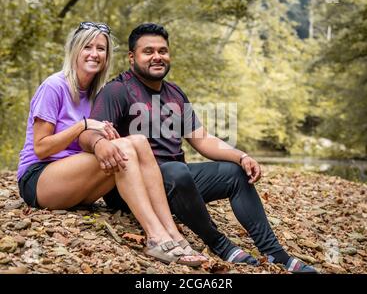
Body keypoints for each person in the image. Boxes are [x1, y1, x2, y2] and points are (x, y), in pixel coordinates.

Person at [80, 23, 319, 274]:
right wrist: (100, 144)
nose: (157, 57)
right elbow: (91, 134)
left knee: (234, 173)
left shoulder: (175, 93)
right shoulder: (117, 91)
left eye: (163, 51)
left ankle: (275, 253)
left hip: (176, 181)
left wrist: (241, 156)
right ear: (132, 57)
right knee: (175, 171)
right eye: (148, 51)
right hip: (133, 189)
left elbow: (203, 139)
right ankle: (220, 244)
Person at [17, 21, 207, 267]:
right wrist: (82, 126)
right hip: (39, 179)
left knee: (137, 141)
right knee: (128, 147)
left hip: (78, 182)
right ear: (74, 50)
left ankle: (173, 234)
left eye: (101, 48)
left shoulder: (98, 93)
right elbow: (41, 147)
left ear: (107, 56)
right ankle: (155, 236)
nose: (94, 54)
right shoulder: (54, 86)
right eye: (87, 47)